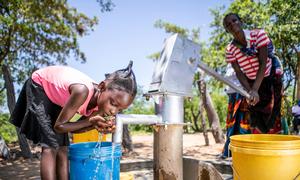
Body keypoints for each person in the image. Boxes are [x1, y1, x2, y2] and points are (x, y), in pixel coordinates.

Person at [9, 61, 137, 180]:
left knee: (64, 148)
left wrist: (94, 125)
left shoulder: (99, 104)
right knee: (50, 146)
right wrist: (91, 121)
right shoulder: (82, 91)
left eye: (120, 109)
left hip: (56, 97)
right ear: (102, 87)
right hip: (40, 85)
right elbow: (59, 126)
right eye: (113, 103)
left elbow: (74, 130)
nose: (114, 111)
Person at [223, 13, 284, 134]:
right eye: (228, 24)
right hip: (250, 83)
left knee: (272, 116)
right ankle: (259, 148)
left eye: (234, 20)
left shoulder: (258, 35)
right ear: (227, 30)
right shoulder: (230, 49)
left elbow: (263, 63)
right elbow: (239, 73)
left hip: (268, 78)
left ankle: (273, 148)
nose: (232, 24)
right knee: (256, 119)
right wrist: (249, 92)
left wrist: (254, 90)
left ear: (241, 21)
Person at [221, 64, 251, 158]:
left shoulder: (247, 56)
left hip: (243, 94)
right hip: (232, 95)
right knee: (231, 125)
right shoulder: (231, 62)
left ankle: (244, 153)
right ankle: (228, 152)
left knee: (243, 126)